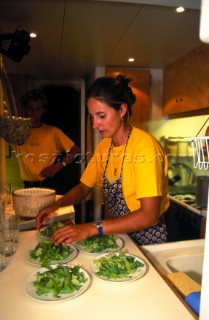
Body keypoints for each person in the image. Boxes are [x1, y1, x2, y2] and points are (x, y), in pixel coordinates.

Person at [36, 74, 170, 245]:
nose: (94, 124)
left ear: (122, 110)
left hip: (147, 239)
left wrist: (92, 228)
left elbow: (149, 216)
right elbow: (83, 187)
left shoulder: (144, 147)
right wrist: (56, 205)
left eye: (101, 116)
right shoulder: (105, 146)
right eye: (92, 117)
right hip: (120, 234)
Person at [13, 89, 81, 194]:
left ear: (43, 111)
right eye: (30, 108)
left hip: (47, 183)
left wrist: (57, 167)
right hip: (24, 185)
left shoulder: (52, 132)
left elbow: (76, 150)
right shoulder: (17, 132)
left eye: (37, 109)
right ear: (25, 109)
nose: (33, 113)